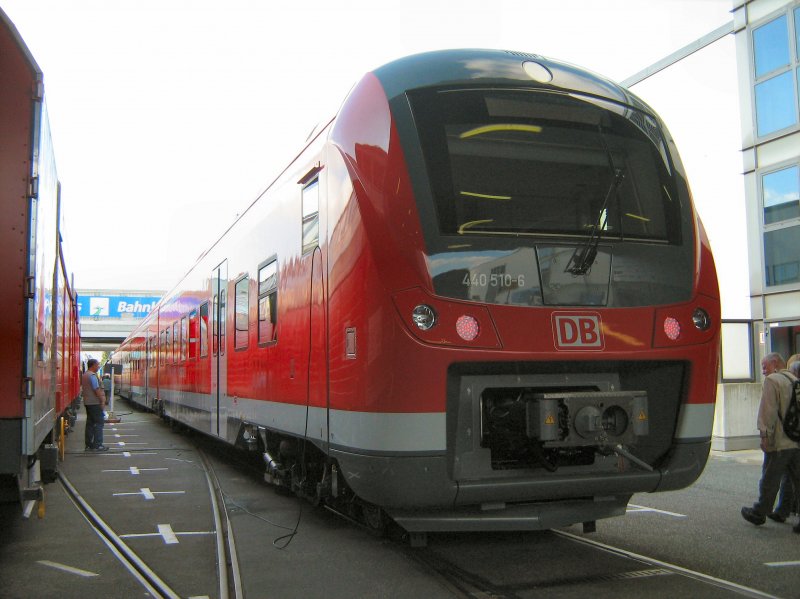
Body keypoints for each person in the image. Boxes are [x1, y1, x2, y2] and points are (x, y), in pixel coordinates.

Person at [741, 353, 800, 530]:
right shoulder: (794, 378)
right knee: (797, 480)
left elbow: (768, 410)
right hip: (796, 440)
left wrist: (764, 435)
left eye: (764, 366)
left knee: (770, 478)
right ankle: (782, 511)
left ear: (775, 363)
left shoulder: (773, 381)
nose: (763, 371)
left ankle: (759, 512)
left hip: (779, 441)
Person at [81, 359, 108, 451]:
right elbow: (96, 389)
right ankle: (98, 444)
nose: (98, 367)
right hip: (94, 402)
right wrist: (102, 400)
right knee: (99, 423)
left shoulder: (85, 375)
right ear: (93, 365)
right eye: (97, 365)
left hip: (87, 402)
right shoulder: (92, 376)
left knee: (90, 424)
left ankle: (88, 445)